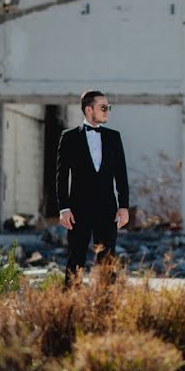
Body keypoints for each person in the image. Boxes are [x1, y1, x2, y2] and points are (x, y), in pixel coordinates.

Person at [56, 90, 130, 286]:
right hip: (78, 210)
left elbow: (121, 175)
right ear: (89, 110)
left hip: (108, 209)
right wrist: (64, 208)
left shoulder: (114, 137)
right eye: (103, 107)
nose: (107, 111)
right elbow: (62, 177)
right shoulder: (69, 137)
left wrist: (124, 206)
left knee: (107, 260)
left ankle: (107, 306)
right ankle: (70, 306)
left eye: (108, 108)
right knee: (76, 259)